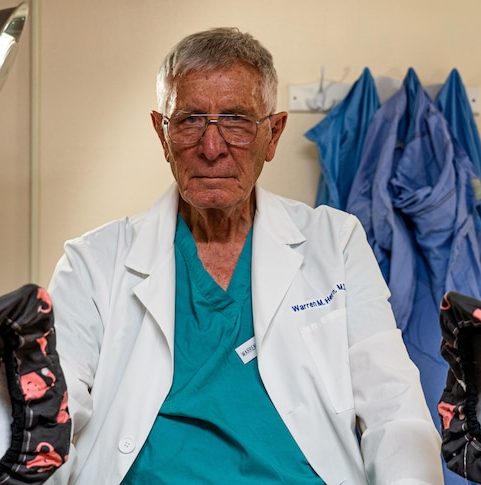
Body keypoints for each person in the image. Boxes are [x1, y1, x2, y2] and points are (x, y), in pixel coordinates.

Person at [46, 27, 443, 484]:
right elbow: (54, 415)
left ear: (272, 135)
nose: (211, 148)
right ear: (162, 133)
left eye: (235, 120)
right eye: (190, 120)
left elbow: (394, 407)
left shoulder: (335, 242)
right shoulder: (92, 263)